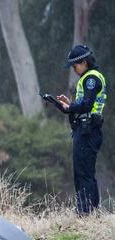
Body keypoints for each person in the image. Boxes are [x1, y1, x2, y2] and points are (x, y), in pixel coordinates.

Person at [56, 45, 107, 215]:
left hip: (88, 131)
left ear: (84, 62)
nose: (74, 69)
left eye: (75, 65)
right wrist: (68, 105)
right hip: (86, 130)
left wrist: (70, 105)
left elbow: (86, 105)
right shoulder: (88, 78)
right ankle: (89, 211)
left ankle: (85, 212)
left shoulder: (91, 78)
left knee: (84, 173)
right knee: (84, 172)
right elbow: (81, 106)